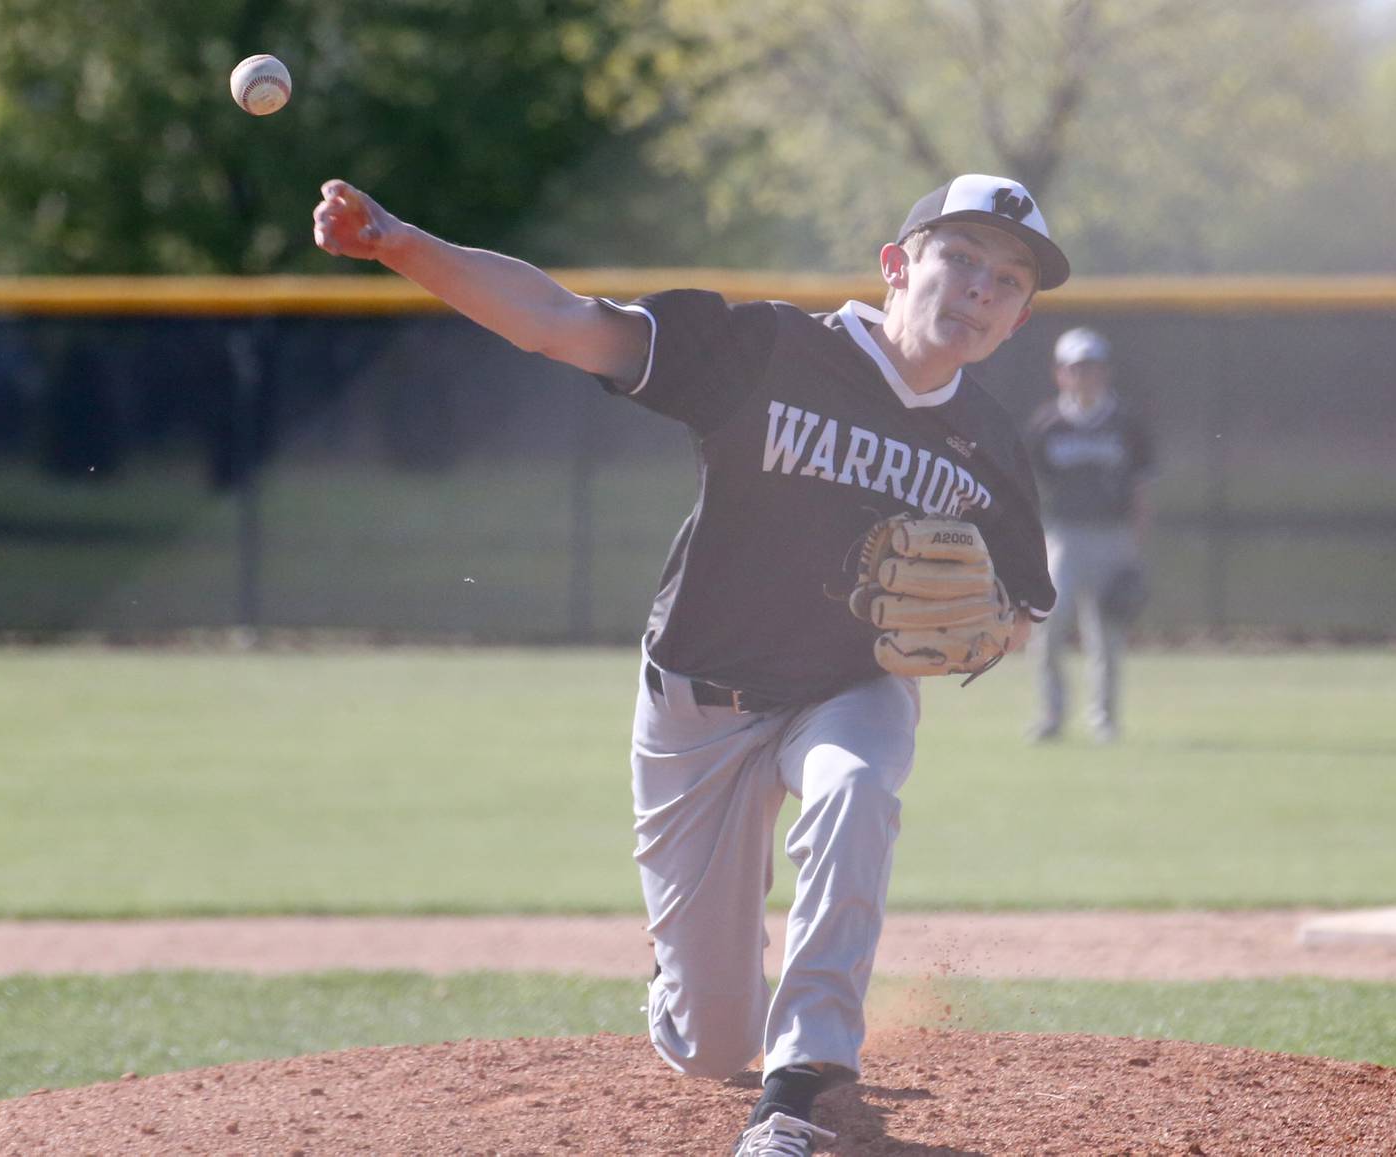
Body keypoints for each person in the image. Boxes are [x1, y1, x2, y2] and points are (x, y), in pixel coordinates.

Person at [313, 172, 1065, 1155]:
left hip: (849, 688)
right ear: (896, 264)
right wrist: (400, 241)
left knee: (857, 787)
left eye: (1008, 280)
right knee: (711, 1043)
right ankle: (713, 1012)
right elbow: (558, 322)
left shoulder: (993, 448)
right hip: (697, 703)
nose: (980, 288)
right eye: (960, 256)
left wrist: (986, 629)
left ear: (1016, 319)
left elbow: (1020, 615)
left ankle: (803, 1083)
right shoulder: (768, 351)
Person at [1024, 328, 1156, 745]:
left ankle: (1104, 721)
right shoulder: (1047, 424)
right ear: (1060, 373)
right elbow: (1029, 488)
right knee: (1049, 626)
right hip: (1063, 536)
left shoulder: (1125, 422)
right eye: (1077, 368)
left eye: (1093, 367)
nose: (1086, 376)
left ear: (1106, 372)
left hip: (1112, 536)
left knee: (1106, 636)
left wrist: (1135, 547)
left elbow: (1140, 488)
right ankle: (1052, 715)